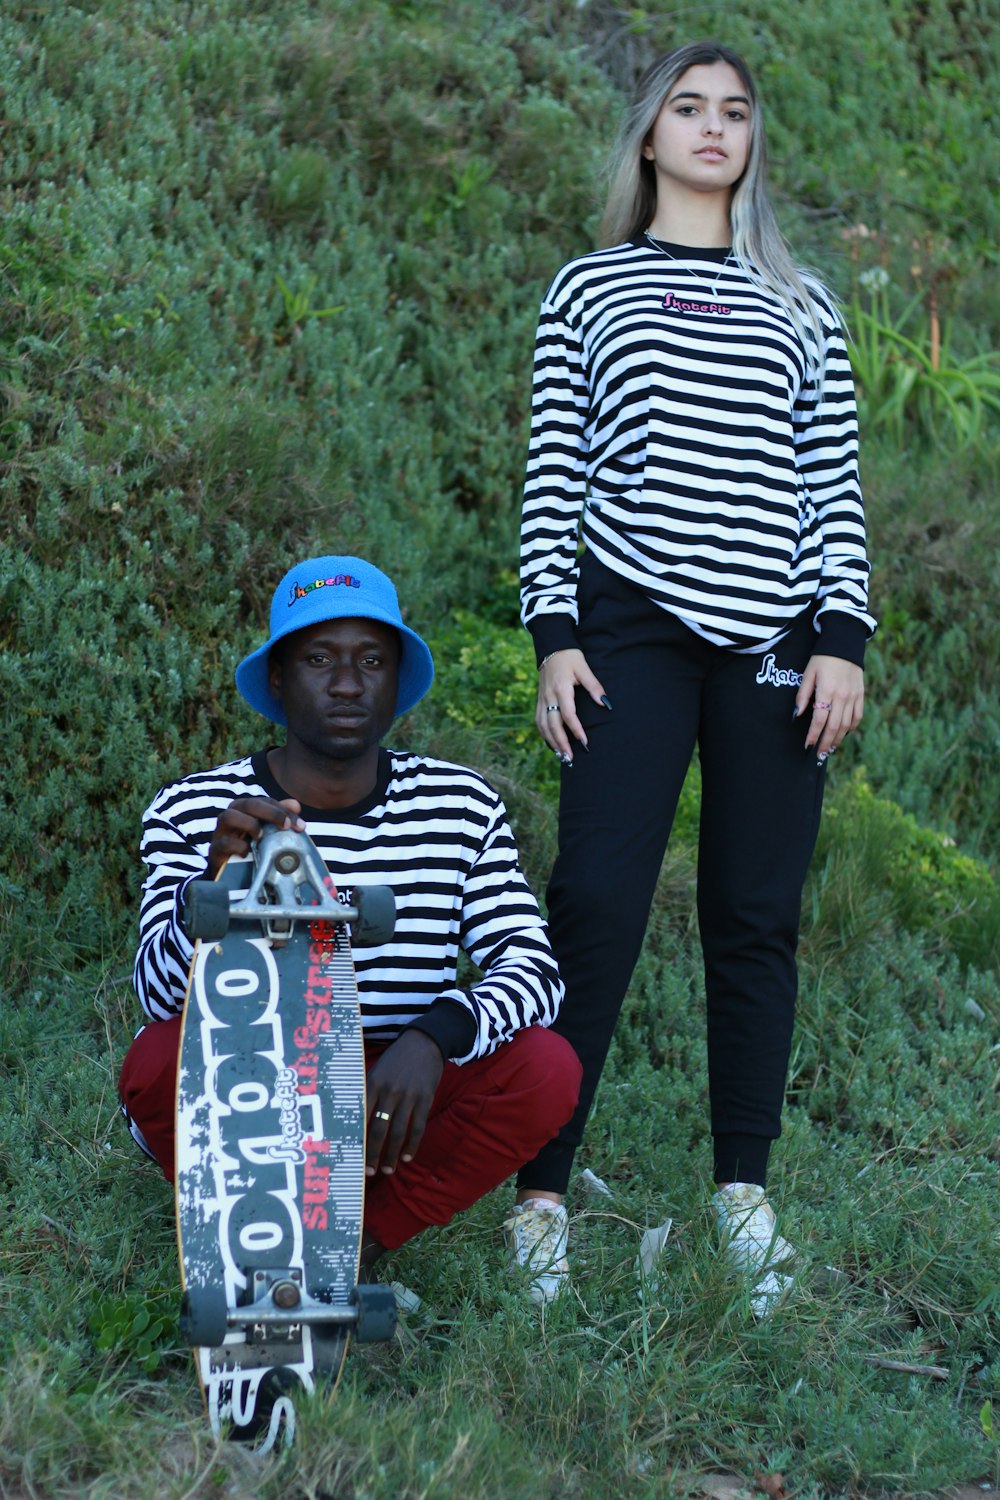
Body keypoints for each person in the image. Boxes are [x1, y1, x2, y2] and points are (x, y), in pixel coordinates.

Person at [510, 40, 875, 1312]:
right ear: (650, 137)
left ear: (750, 141)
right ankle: (540, 1194)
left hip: (778, 641)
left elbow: (829, 483)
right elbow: (555, 471)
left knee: (754, 914)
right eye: (688, 108)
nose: (714, 129)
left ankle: (742, 1197)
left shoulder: (802, 301)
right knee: (596, 898)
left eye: (735, 112)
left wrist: (844, 636)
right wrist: (553, 633)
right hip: (630, 632)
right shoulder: (590, 287)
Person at [119, 554, 581, 1285]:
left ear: (397, 680)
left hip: (397, 1093)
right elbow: (155, 996)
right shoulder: (193, 807)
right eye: (317, 659)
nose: (345, 683)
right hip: (261, 1088)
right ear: (276, 678)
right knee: (154, 1066)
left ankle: (359, 1243)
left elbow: (533, 969)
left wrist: (435, 1036)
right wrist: (211, 888)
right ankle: (255, 1218)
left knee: (547, 1069)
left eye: (371, 659)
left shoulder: (460, 806)